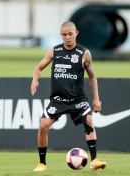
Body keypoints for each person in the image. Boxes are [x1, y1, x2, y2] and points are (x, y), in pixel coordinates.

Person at [31, 21, 107, 172]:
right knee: (43, 126)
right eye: (64, 35)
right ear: (61, 35)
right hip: (58, 100)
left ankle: (95, 160)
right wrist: (35, 79)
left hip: (77, 99)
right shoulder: (54, 51)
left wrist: (96, 99)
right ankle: (42, 163)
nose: (67, 38)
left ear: (76, 33)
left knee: (89, 120)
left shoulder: (84, 53)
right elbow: (38, 67)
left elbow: (92, 77)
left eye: (70, 34)